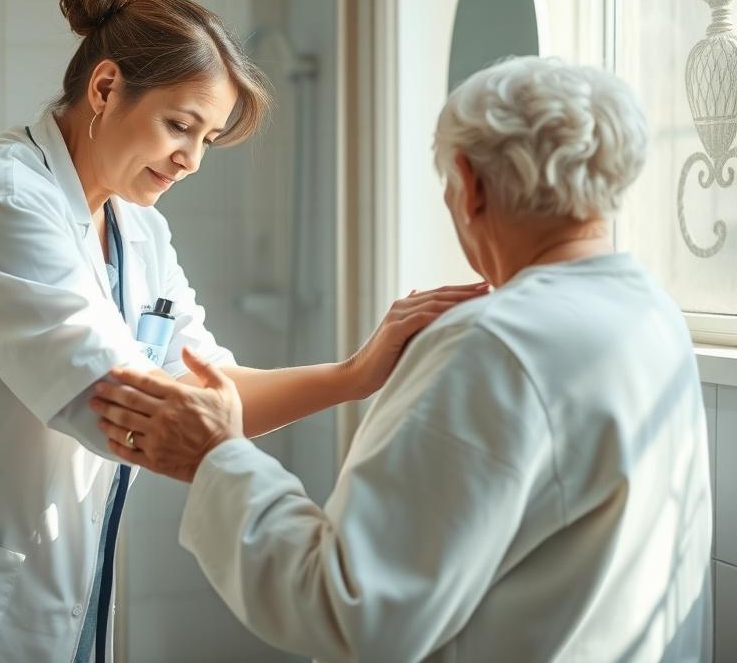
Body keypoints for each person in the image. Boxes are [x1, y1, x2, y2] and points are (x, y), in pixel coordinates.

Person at [0, 0, 485, 663]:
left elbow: (207, 390)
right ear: (104, 90)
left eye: (208, 139)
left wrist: (360, 372)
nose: (192, 159)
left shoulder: (139, 229)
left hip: (40, 591)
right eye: (179, 125)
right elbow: (132, 416)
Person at [92, 57, 714, 662]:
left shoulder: (493, 345)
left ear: (468, 185)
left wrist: (216, 457)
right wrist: (351, 376)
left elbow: (353, 610)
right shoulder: (651, 316)